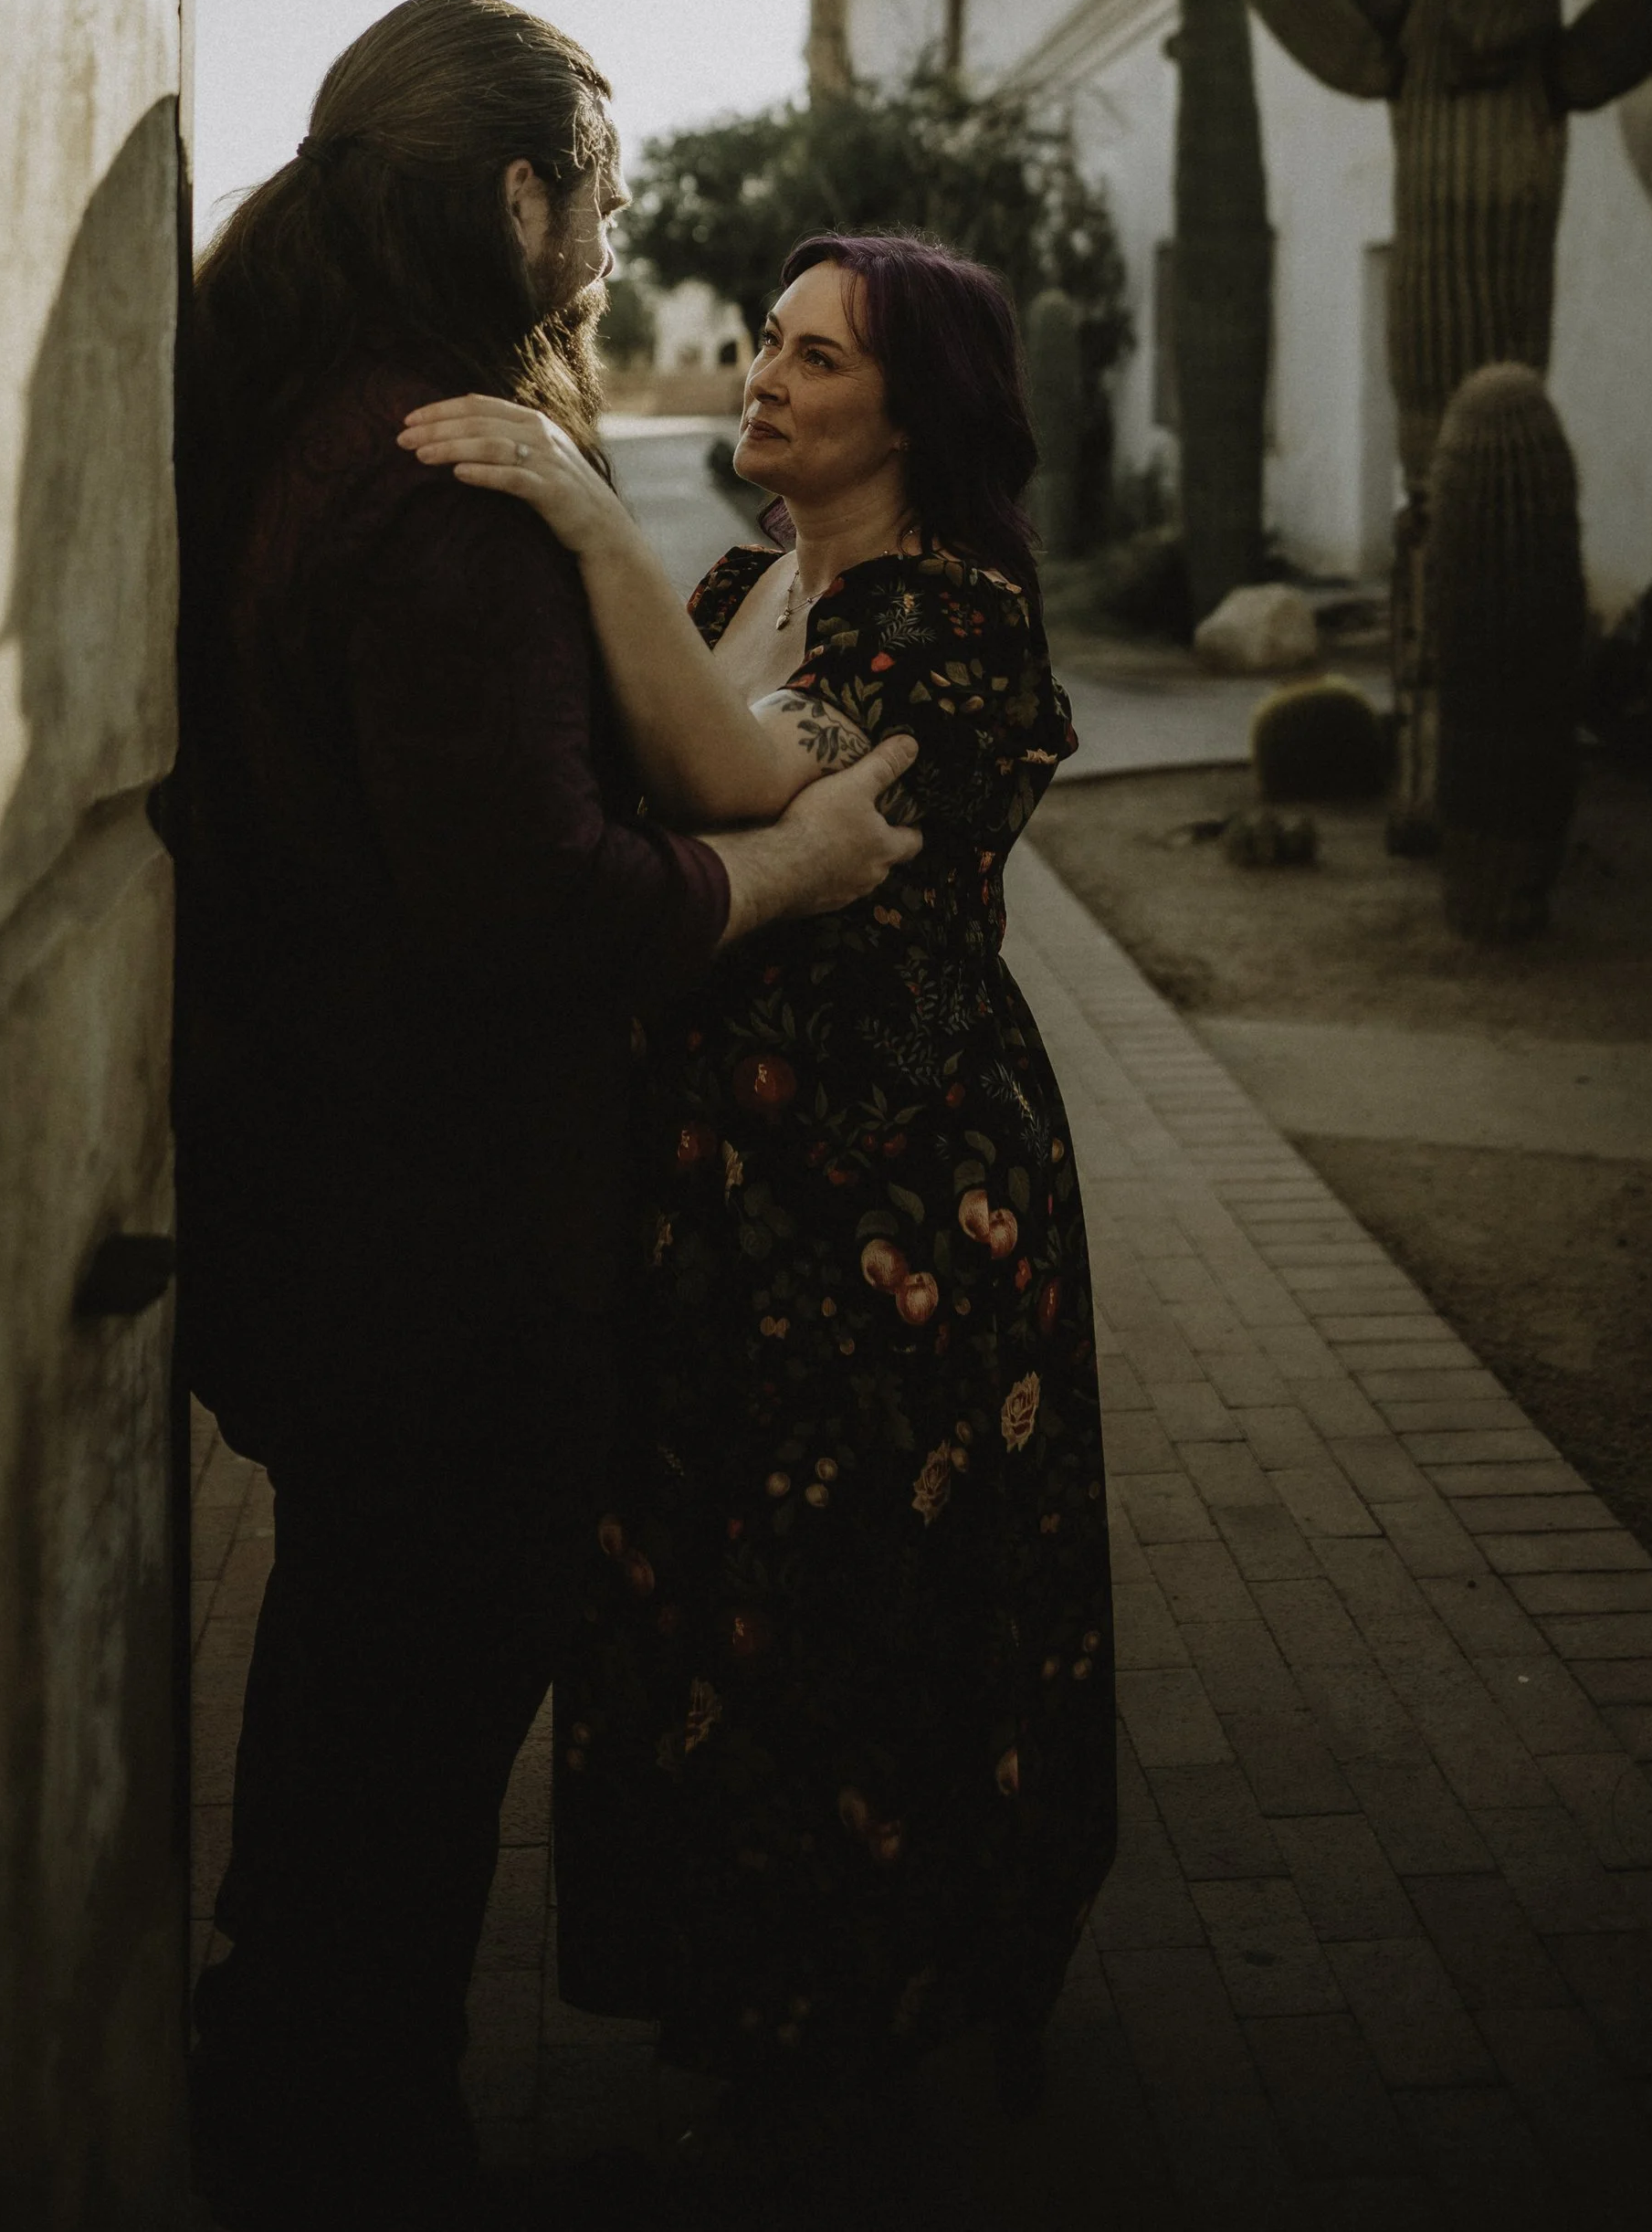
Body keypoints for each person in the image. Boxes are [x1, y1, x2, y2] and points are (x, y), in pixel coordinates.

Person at [168, 0, 921, 2232]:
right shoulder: (448, 477)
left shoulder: (310, 419)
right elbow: (536, 910)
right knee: (396, 1758)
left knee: (342, 1713)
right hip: (444, 1251)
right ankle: (339, 2139)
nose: (610, 234)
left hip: (324, 1204)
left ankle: (278, 2079)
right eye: (594, 189)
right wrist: (789, 865)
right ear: (513, 198)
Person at [400, 232, 1115, 2169]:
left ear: (917, 406)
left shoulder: (948, 619)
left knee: (862, 1609)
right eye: (768, 340)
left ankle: (871, 2011)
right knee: (715, 1592)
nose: (767, 373)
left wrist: (574, 500)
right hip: (716, 1186)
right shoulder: (735, 580)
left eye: (817, 351)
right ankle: (752, 1984)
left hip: (887, 1205)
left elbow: (709, 763)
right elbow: (653, 803)